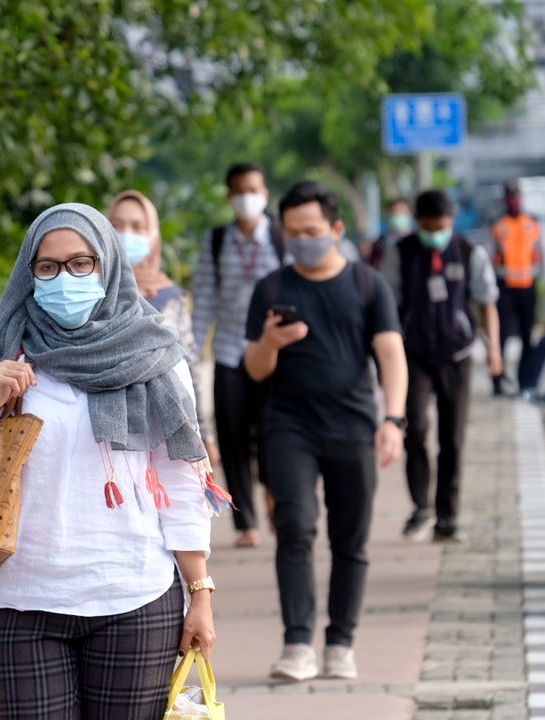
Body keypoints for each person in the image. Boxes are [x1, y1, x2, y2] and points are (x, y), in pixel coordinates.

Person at [0, 203, 216, 720]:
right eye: (48, 266)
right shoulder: (4, 351)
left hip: (133, 595)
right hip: (23, 600)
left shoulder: (153, 355)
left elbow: (181, 481)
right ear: (29, 272)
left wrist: (199, 592)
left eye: (81, 263)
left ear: (106, 266)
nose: (65, 278)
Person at [243, 181, 408, 682]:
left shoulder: (367, 284)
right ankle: (297, 644)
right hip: (290, 426)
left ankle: (340, 642)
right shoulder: (271, 288)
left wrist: (393, 419)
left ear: (336, 229)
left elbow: (390, 354)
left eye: (311, 231)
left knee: (350, 539)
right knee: (294, 528)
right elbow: (253, 367)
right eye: (292, 233)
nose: (302, 240)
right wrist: (270, 342)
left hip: (354, 426)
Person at [379, 190, 502, 543]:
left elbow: (487, 301)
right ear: (417, 223)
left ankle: (448, 517)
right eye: (430, 226)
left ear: (451, 221)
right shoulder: (400, 253)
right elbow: (388, 302)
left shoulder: (468, 252)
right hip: (413, 355)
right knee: (414, 427)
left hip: (457, 355)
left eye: (443, 226)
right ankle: (422, 507)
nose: (437, 233)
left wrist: (493, 348)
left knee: (453, 437)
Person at [191, 162, 284, 547]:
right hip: (229, 350)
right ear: (230, 196)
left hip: (273, 353)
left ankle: (276, 499)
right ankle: (246, 523)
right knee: (231, 440)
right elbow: (202, 304)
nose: (248, 197)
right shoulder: (216, 242)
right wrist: (192, 353)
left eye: (254, 189)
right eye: (240, 190)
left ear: (265, 193)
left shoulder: (281, 237)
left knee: (274, 434)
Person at [106, 189, 218, 464]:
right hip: (106, 433)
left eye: (137, 227)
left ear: (154, 235)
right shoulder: (92, 292)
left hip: (165, 431)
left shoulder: (171, 296)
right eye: (117, 226)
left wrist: (205, 435)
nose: (126, 234)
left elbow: (190, 369)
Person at [491, 182, 542, 397]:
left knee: (526, 337)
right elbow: (493, 258)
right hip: (505, 288)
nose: (514, 200)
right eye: (510, 196)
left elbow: (538, 256)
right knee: (501, 337)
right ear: (505, 199)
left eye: (516, 196)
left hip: (528, 287)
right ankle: (498, 380)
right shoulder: (499, 226)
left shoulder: (532, 224)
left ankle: (525, 381)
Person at [365, 198, 413, 269]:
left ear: (409, 214)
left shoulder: (417, 242)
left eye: (401, 211)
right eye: (394, 212)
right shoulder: (379, 244)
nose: (398, 215)